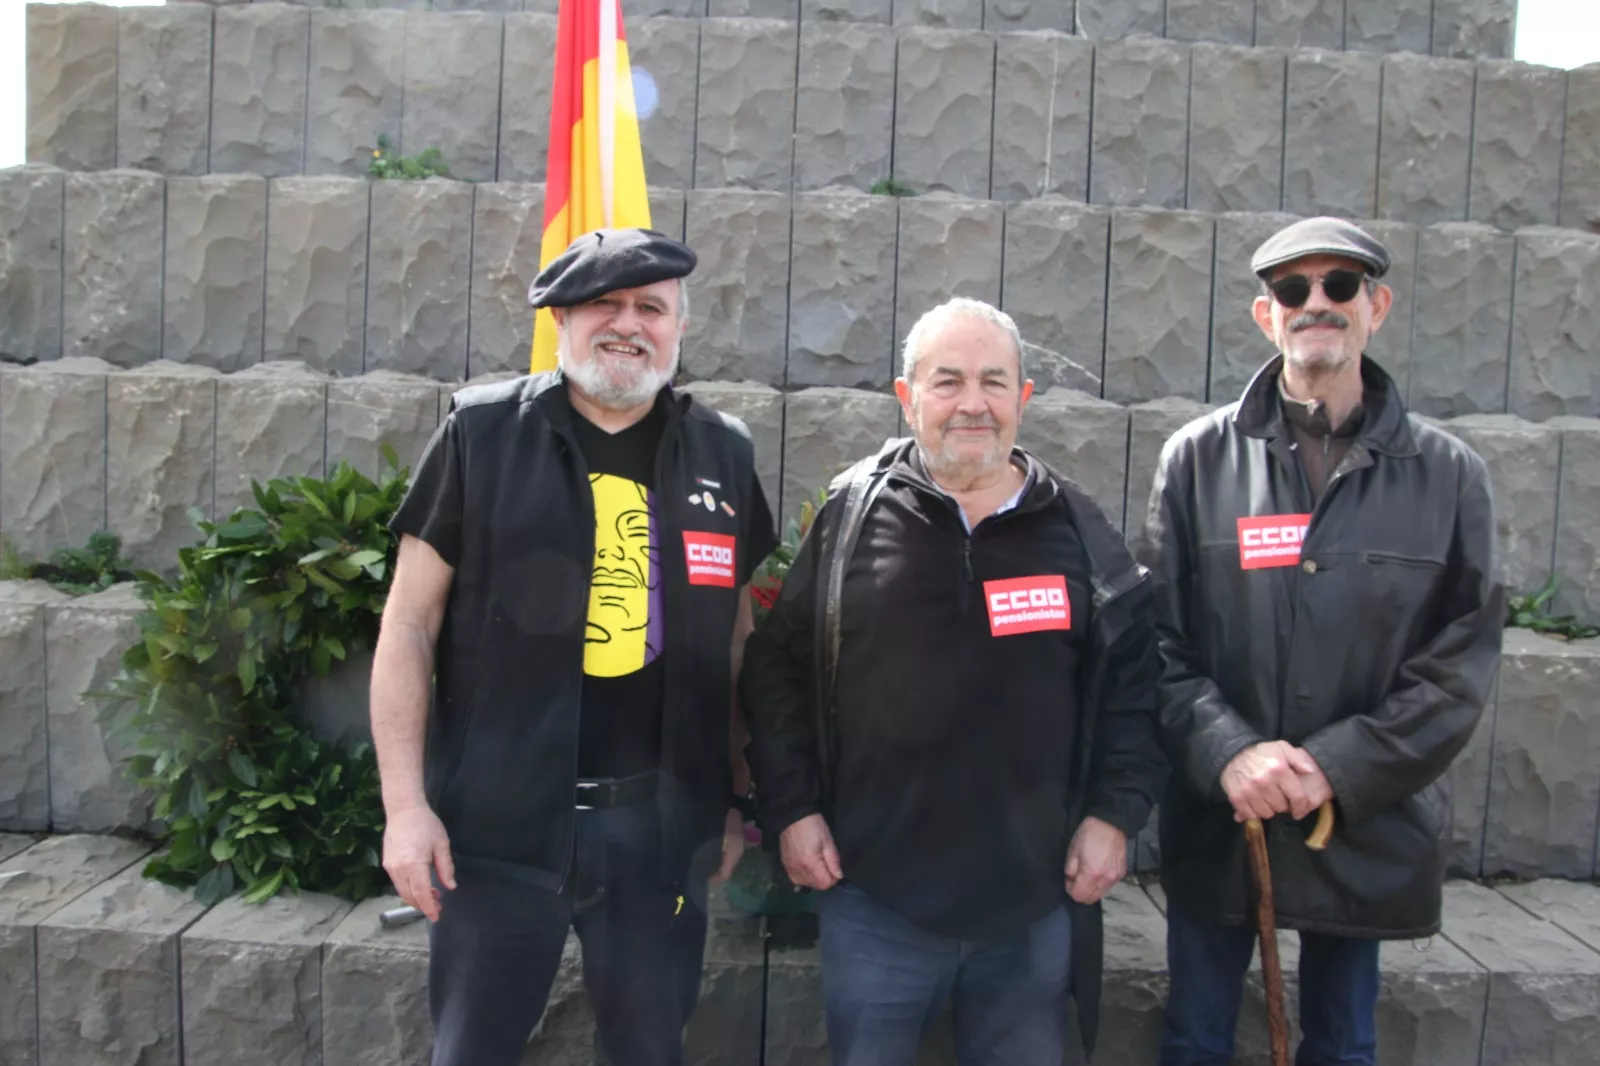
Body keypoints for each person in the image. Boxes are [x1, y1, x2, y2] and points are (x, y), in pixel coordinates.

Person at [369, 227, 777, 1066]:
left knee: (649, 1051)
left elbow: (736, 642)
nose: (628, 324)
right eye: (604, 304)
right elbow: (408, 624)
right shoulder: (480, 436)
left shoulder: (722, 453)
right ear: (561, 319)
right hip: (498, 832)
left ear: (677, 330)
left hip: (660, 836)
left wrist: (734, 798)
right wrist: (406, 810)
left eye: (651, 308)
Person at [740, 297, 1167, 1066]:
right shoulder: (852, 514)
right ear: (907, 399)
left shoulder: (1078, 531)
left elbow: (1137, 686)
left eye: (994, 383)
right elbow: (775, 672)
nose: (973, 404)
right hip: (874, 900)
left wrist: (1116, 815)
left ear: (1023, 400)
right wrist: (793, 810)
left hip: (1032, 907)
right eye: (948, 382)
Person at [1143, 217, 1505, 1066]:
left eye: (1340, 286)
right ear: (1264, 315)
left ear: (1376, 306)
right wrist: (1230, 753)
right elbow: (1158, 639)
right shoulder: (1196, 460)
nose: (1318, 304)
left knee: (1343, 1044)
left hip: (1363, 819)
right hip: (1226, 819)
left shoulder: (1451, 476)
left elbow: (1461, 662)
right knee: (1196, 1037)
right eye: (1292, 290)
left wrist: (1335, 766)